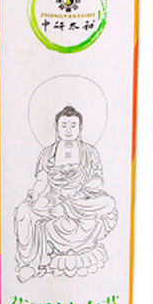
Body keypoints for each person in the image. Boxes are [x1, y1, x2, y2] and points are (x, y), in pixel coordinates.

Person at [14, 105, 118, 282]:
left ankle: (64, 209)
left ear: (80, 128)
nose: (68, 130)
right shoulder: (48, 153)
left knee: (108, 203)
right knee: (24, 210)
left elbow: (98, 181)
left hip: (79, 199)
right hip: (54, 197)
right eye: (64, 125)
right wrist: (35, 195)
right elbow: (42, 180)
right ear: (56, 128)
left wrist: (79, 189)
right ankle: (30, 264)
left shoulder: (89, 152)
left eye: (73, 125)